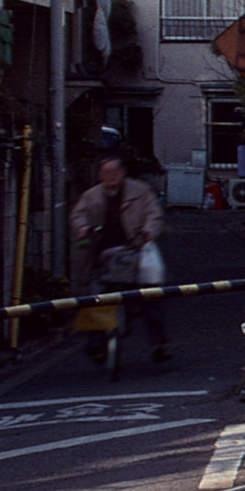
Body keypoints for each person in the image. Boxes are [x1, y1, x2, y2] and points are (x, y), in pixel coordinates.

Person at [69, 153, 170, 362]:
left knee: (150, 296)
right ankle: (96, 345)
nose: (111, 176)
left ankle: (158, 344)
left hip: (134, 251)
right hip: (101, 254)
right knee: (95, 298)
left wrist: (148, 231)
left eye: (115, 171)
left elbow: (153, 213)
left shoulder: (140, 191)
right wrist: (83, 228)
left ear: (122, 172)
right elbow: (78, 215)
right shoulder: (91, 196)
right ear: (100, 175)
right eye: (106, 172)